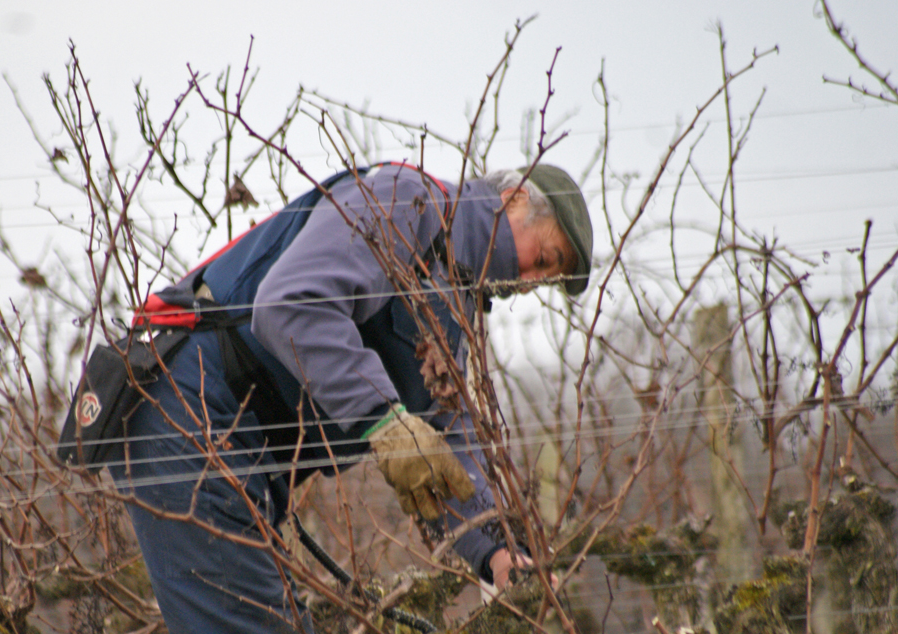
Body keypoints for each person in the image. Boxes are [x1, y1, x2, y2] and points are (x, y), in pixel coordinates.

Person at [108, 162, 593, 634]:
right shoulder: (407, 202)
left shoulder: (454, 299)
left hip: (243, 455)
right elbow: (291, 303)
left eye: (544, 280)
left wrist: (497, 551)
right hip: (195, 414)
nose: (529, 283)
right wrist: (384, 420)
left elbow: (447, 440)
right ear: (515, 198)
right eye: (545, 260)